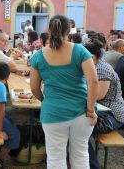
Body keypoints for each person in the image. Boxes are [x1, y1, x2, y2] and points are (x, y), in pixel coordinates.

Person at [29, 15, 98, 168]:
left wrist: (45, 101)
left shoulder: (39, 55)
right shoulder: (80, 50)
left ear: (49, 30)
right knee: (80, 154)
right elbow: (93, 81)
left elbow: (34, 87)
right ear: (69, 31)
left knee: (55, 158)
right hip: (81, 111)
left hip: (53, 112)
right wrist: (91, 109)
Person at [84, 39, 124, 169]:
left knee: (77, 130)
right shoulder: (92, 66)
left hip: (112, 114)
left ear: (92, 57)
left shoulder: (102, 68)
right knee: (72, 127)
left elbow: (98, 96)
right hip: (99, 111)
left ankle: (91, 166)